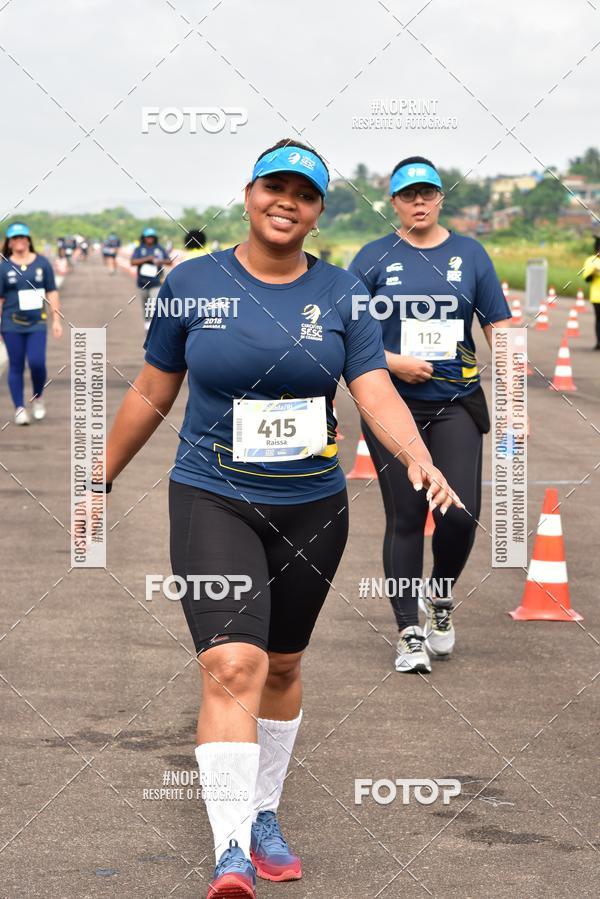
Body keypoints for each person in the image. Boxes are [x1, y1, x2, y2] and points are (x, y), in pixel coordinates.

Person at [100, 140, 462, 898]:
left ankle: (263, 811)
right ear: (249, 192)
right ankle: (231, 849)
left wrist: (415, 455)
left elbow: (373, 388)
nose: (286, 201)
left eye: (304, 192)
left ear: (318, 210)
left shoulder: (340, 293)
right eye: (275, 186)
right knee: (235, 664)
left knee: (286, 664)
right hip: (213, 495)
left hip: (313, 506)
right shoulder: (192, 283)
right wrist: (92, 474)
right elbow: (151, 391)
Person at [349, 156, 511, 674]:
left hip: (456, 403)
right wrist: (393, 361)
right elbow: (345, 331)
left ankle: (439, 599)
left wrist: (515, 403)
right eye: (407, 195)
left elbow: (500, 328)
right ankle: (408, 632)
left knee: (459, 515)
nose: (418, 203)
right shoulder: (373, 258)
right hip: (390, 407)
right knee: (407, 517)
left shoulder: (470, 254)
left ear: (441, 197)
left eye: (427, 193)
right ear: (393, 203)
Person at [0, 222, 63, 424]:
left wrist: (56, 320)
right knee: (16, 365)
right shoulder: (4, 267)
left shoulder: (42, 263)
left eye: (22, 237)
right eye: (15, 238)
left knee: (37, 363)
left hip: (37, 323)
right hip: (12, 323)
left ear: (28, 240)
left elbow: (52, 291)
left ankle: (38, 397)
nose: (19, 241)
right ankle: (19, 408)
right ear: (9, 243)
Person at [130, 228, 172, 330]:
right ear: (144, 238)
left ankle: (154, 328)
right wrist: (147, 259)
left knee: (154, 305)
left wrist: (159, 261)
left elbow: (169, 261)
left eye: (152, 237)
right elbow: (132, 262)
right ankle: (147, 325)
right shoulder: (139, 249)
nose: (150, 239)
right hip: (142, 283)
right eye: (148, 237)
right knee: (146, 306)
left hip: (156, 282)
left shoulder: (159, 248)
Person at [582, 234, 600, 349]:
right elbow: (586, 278)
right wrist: (593, 272)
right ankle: (599, 342)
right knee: (599, 320)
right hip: (597, 297)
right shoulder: (591, 261)